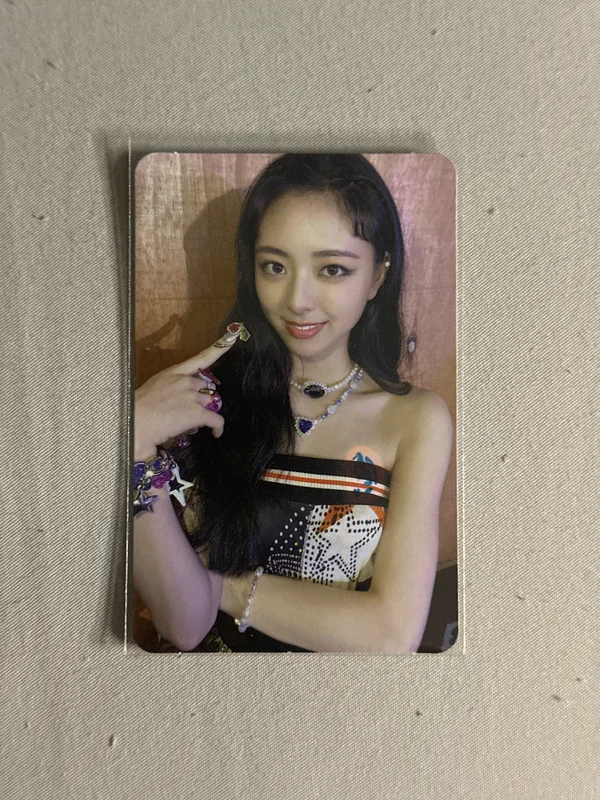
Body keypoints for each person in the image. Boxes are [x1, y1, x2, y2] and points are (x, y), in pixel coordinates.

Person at [133, 153, 453, 653]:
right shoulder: (201, 405)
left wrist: (222, 586)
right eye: (275, 266)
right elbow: (184, 624)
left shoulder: (415, 419)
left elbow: (392, 634)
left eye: (332, 269)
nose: (298, 300)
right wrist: (133, 442)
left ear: (377, 276)